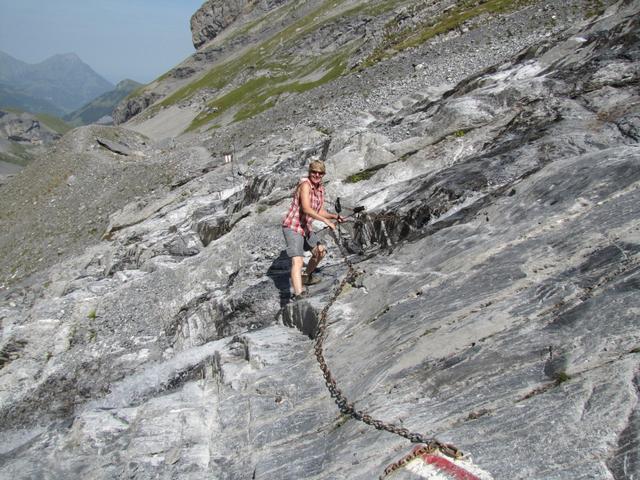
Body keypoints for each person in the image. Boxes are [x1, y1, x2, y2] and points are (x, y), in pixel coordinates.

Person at [282, 159, 344, 299]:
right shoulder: (305, 185)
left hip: (306, 228)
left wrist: (334, 216)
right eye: (314, 172)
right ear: (310, 172)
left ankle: (306, 276)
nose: (316, 175)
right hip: (293, 227)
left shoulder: (320, 189)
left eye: (320, 173)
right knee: (297, 261)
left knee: (320, 252)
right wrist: (326, 221)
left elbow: (320, 211)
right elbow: (306, 208)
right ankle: (299, 294)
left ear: (323, 174)